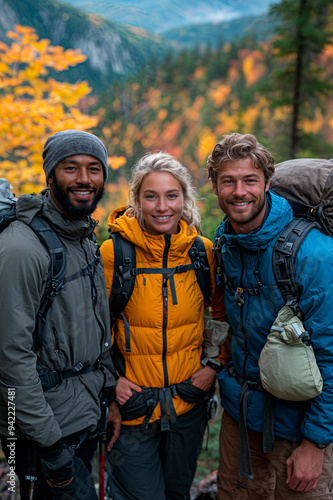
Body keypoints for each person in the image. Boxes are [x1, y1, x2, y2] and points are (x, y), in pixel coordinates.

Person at [207, 132, 333, 499]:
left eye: (250, 180)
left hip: (300, 428)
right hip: (241, 417)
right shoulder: (226, 243)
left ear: (267, 183)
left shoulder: (314, 255)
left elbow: (331, 353)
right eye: (228, 181)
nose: (239, 191)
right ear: (215, 186)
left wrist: (315, 443)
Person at [100, 151, 229, 500]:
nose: (162, 206)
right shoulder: (113, 255)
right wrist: (112, 382)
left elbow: (221, 316)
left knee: (177, 493)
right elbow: (93, 328)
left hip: (187, 406)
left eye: (171, 196)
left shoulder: (202, 253)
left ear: (184, 199)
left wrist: (212, 367)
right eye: (151, 196)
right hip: (132, 410)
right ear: (137, 200)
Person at [0, 130, 121, 500]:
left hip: (82, 417)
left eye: (94, 169)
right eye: (71, 168)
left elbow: (95, 327)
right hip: (42, 435)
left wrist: (109, 393)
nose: (84, 179)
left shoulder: (82, 238)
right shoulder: (23, 249)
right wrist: (50, 446)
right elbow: (10, 359)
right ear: (50, 176)